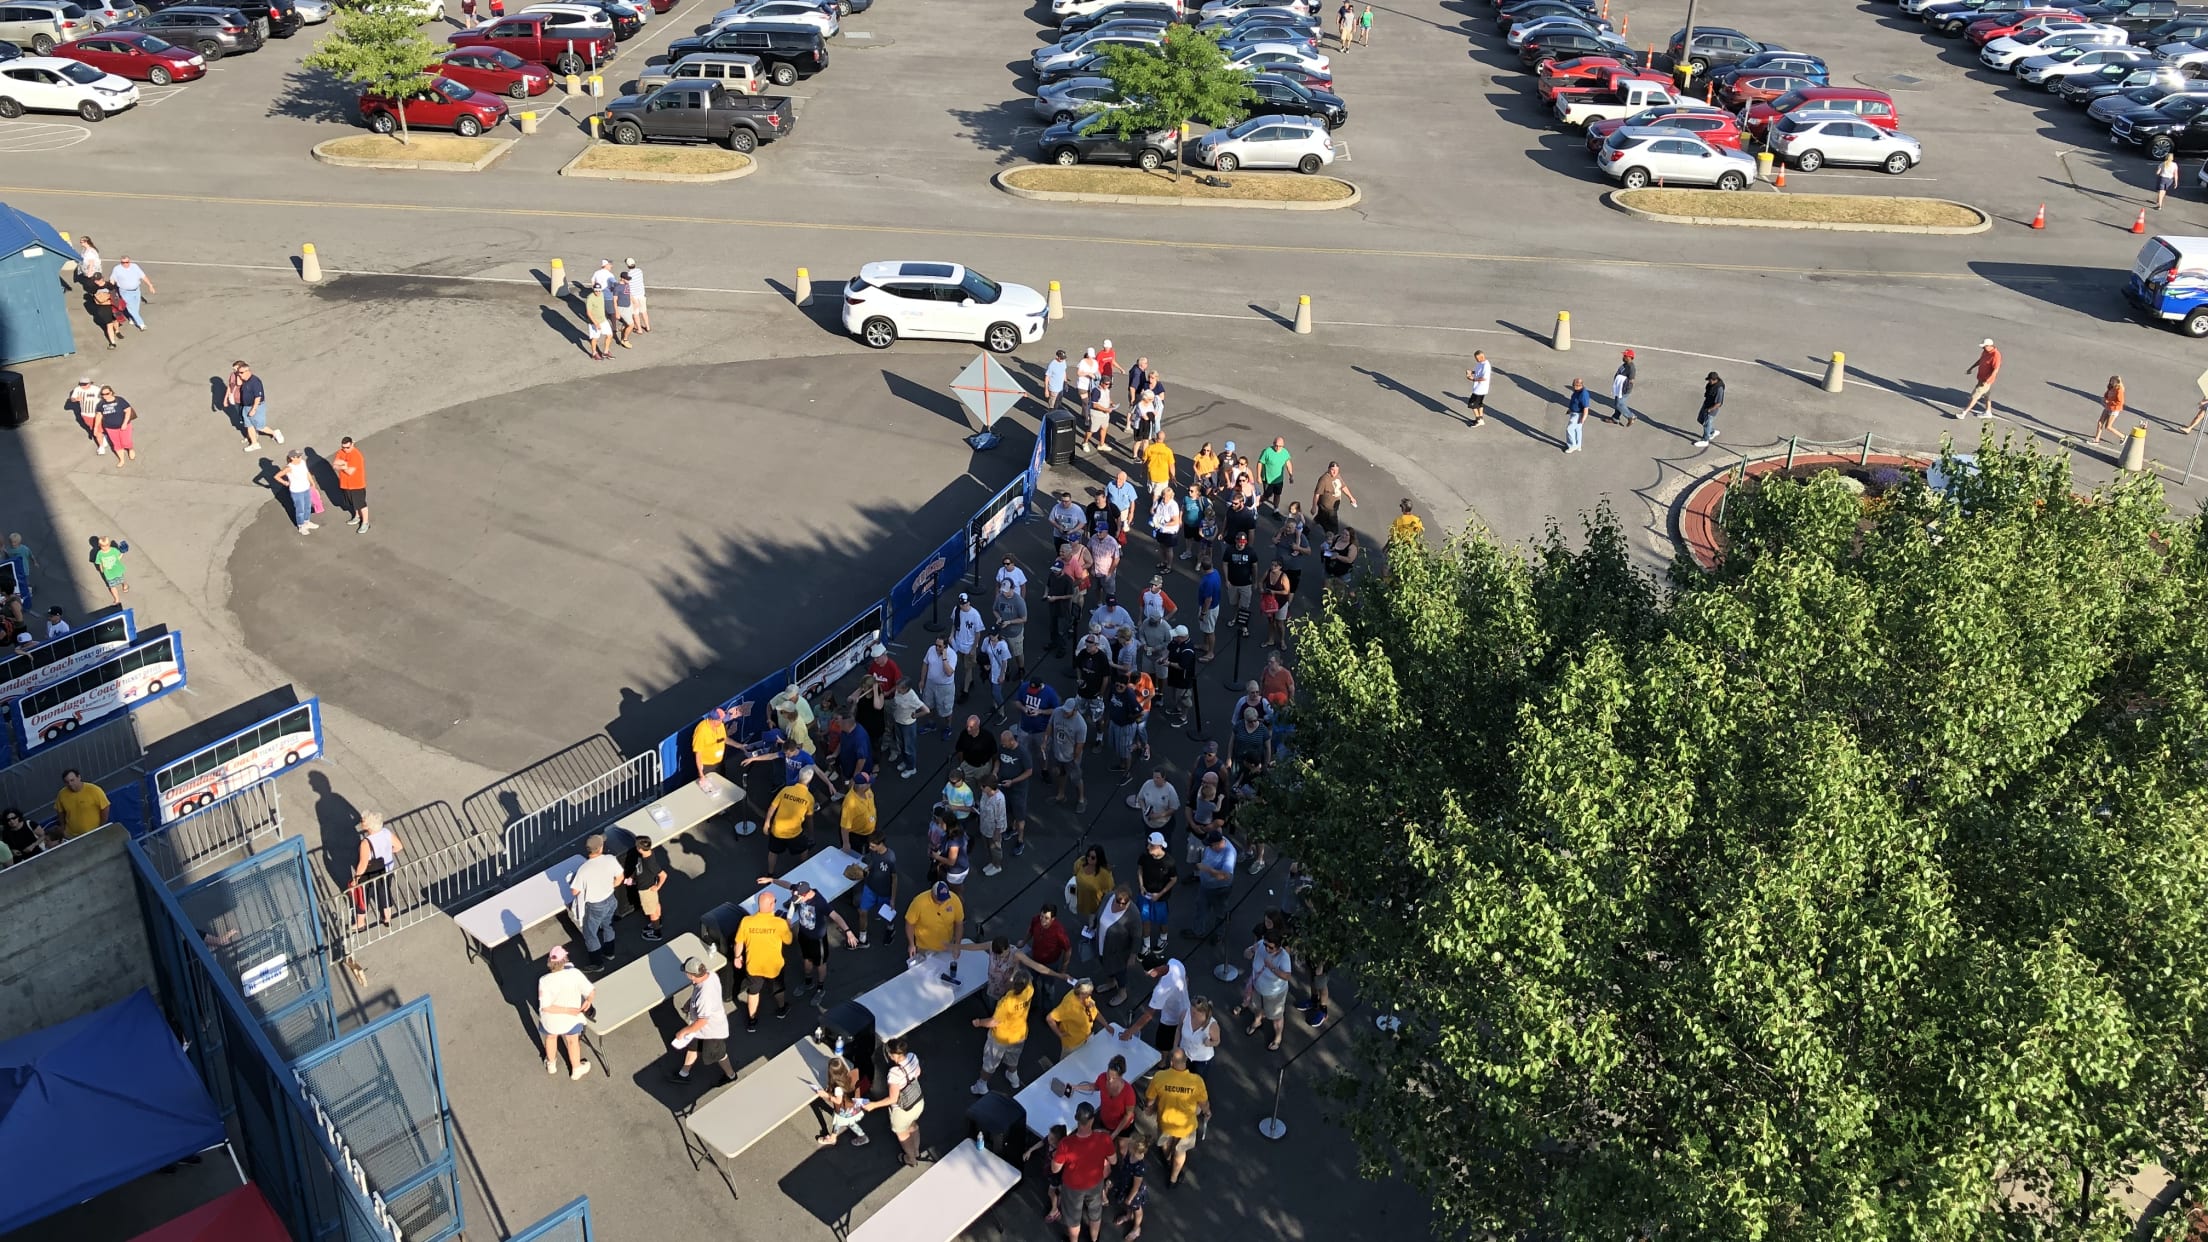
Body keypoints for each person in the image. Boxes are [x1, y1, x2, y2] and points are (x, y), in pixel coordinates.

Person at [1050, 1102, 1117, 1242]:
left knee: (1073, 1219)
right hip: (1095, 1183)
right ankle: (1094, 1239)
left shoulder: (1066, 1144)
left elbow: (1055, 1169)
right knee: (1095, 1214)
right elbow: (1114, 1161)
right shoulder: (1104, 1139)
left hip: (1072, 1187)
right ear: (1092, 1120)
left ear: (1076, 1119)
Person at [1144, 1048, 1210, 1186]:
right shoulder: (1196, 1081)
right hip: (1186, 1126)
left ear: (1172, 1062)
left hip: (1165, 1121)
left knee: (1164, 1142)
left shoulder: (1160, 1077)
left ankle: (1167, 1159)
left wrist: (1149, 1108)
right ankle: (1173, 1179)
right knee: (1181, 1151)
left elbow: (1150, 1099)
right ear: (1186, 1061)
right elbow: (1203, 1104)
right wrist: (1207, 1112)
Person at [667, 955, 735, 1084]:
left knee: (719, 1054)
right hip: (702, 1029)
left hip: (712, 1032)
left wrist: (684, 1032)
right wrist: (690, 1003)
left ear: (692, 975)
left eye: (686, 973)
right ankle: (683, 1073)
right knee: (694, 1046)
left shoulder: (705, 996)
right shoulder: (710, 975)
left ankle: (731, 1075)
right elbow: (698, 997)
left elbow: (703, 1021)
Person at [733, 889, 795, 1030]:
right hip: (774, 966)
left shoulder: (747, 921)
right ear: (772, 905)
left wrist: (737, 957)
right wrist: (788, 927)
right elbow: (789, 940)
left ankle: (752, 1020)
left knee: (753, 992)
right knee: (778, 989)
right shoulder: (779, 923)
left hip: (753, 965)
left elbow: (739, 942)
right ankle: (781, 1009)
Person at [971, 966, 1035, 1093]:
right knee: (1013, 1057)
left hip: (1001, 1037)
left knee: (990, 1062)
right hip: (1019, 1034)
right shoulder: (1029, 990)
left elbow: (994, 1021)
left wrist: (979, 1022)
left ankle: (982, 1085)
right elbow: (1028, 980)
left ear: (1013, 983)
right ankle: (1013, 1076)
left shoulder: (1006, 1002)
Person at [568, 833, 626, 972]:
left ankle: (597, 963)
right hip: (611, 899)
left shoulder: (584, 870)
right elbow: (620, 877)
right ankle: (609, 952)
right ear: (600, 848)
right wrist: (610, 886)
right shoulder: (610, 859)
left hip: (595, 906)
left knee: (590, 934)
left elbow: (574, 891)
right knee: (608, 925)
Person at [864, 1036, 926, 1165]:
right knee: (913, 1125)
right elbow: (918, 1072)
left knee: (903, 1135)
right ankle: (916, 1151)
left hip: (903, 1110)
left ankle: (910, 1158)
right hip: (918, 1101)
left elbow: (892, 1099)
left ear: (893, 1054)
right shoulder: (913, 1057)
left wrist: (874, 1105)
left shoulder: (894, 1073)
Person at [537, 946, 594, 1080]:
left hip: (551, 1020)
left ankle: (551, 1064)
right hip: (571, 1019)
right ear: (565, 960)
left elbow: (545, 1007)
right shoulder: (575, 974)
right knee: (572, 1041)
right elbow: (590, 991)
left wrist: (565, 1010)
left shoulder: (544, 980)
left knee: (551, 1037)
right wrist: (588, 1001)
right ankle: (576, 1069)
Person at [1120, 955, 1191, 1053]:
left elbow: (1148, 1016)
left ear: (1155, 969)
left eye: (1149, 973)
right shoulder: (1175, 963)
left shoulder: (1161, 990)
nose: (1149, 975)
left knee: (1163, 1043)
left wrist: (1129, 1032)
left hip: (1170, 1019)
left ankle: (1163, 1062)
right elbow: (1186, 979)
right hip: (1186, 1008)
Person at [346, 811, 403, 932]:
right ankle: (387, 918)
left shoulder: (366, 843)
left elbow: (363, 864)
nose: (361, 822)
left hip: (369, 875)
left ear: (370, 826)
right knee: (385, 893)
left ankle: (360, 923)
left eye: (363, 821)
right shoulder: (386, 832)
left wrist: (356, 879)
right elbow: (399, 847)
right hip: (386, 869)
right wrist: (387, 852)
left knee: (363, 898)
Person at [1242, 924, 1295, 1049]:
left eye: (1270, 947)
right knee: (1257, 1007)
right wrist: (1251, 950)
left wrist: (1272, 967)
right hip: (1258, 986)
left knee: (1276, 1016)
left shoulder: (1284, 957)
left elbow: (1287, 976)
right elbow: (1246, 954)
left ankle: (1278, 1037)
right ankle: (1257, 1021)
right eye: (1265, 944)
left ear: (1278, 946)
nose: (1266, 948)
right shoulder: (1261, 945)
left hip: (1274, 993)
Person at [906, 881, 966, 984]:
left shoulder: (954, 899)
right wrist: (911, 944)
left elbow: (959, 923)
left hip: (947, 944)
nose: (943, 902)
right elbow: (909, 923)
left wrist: (957, 945)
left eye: (945, 899)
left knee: (950, 973)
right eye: (940, 900)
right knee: (927, 980)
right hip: (925, 948)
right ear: (932, 894)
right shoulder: (919, 902)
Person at [763, 774, 817, 872]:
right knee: (804, 849)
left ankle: (770, 873)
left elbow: (772, 807)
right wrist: (811, 834)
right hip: (794, 832)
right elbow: (809, 818)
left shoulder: (786, 790)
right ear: (810, 781)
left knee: (773, 852)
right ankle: (804, 869)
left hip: (777, 830)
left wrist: (767, 823)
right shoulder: (809, 798)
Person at [813, 1056, 870, 1147]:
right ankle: (862, 1136)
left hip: (844, 1111)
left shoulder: (838, 1088)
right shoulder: (850, 1075)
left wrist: (825, 1095)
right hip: (853, 1107)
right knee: (850, 1123)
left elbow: (838, 1101)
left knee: (838, 1122)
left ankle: (832, 1138)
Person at [853, 832, 897, 947]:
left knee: (887, 914)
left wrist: (892, 899)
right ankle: (863, 939)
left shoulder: (890, 858)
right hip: (870, 888)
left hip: (884, 892)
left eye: (872, 846)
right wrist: (869, 868)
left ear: (880, 844)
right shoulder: (874, 852)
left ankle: (890, 928)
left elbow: (894, 878)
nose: (870, 848)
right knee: (862, 912)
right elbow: (873, 862)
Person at [996, 727, 1034, 858]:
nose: (1002, 745)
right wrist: (995, 772)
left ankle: (1020, 840)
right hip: (1004, 787)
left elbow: (1029, 771)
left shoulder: (1023, 753)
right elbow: (997, 760)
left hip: (1018, 789)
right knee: (1008, 810)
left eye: (1004, 742)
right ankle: (1011, 829)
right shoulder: (1002, 748)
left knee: (1020, 815)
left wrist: (1013, 781)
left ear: (1011, 741)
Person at [1048, 697, 1089, 812]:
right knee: (1060, 774)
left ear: (1075, 710)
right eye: (1064, 709)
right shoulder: (1057, 712)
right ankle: (1060, 795)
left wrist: (1074, 759)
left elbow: (1080, 745)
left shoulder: (1081, 725)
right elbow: (1050, 725)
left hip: (1071, 756)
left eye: (1068, 711)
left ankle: (1081, 799)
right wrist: (1046, 739)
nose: (1065, 712)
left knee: (1076, 778)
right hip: (1058, 752)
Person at [232, 362, 283, 452]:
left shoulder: (255, 382)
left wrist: (254, 409)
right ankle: (255, 443)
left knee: (260, 426)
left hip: (256, 407)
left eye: (241, 373)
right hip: (246, 407)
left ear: (247, 371)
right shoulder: (244, 379)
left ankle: (274, 433)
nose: (239, 375)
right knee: (249, 425)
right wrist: (237, 373)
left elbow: (258, 397)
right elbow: (238, 384)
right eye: (238, 373)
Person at [1111, 1131, 1151, 1240]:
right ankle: (1128, 1215)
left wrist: (1130, 1197)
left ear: (1134, 1148)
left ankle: (1136, 1228)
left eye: (1130, 1144)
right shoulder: (1130, 1155)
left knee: (1137, 1209)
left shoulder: (1140, 1166)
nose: (1127, 1144)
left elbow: (1136, 1186)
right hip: (1125, 1185)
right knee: (1128, 1206)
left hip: (1134, 1192)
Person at [1049, 979, 1100, 1064]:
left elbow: (1095, 1011)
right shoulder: (1069, 1006)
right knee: (1065, 1062)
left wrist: (1106, 1025)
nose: (1091, 994)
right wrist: (1059, 1033)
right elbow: (1050, 1018)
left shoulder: (1085, 998)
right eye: (1089, 993)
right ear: (1082, 994)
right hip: (1072, 1043)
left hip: (1085, 1037)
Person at [630, 834, 669, 942]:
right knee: (655, 906)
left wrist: (657, 887)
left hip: (646, 890)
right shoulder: (646, 856)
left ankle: (656, 932)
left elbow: (663, 875)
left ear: (640, 849)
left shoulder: (650, 862)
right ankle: (657, 922)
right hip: (648, 887)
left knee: (651, 911)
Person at [889, 678, 927, 779]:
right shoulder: (898, 691)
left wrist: (916, 715)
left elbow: (926, 710)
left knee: (909, 748)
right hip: (898, 721)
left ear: (906, 688)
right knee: (901, 744)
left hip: (907, 725)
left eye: (899, 688)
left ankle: (911, 768)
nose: (897, 689)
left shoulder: (912, 697)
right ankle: (905, 761)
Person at [54, 769, 108, 839]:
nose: (70, 784)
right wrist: (63, 827)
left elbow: (105, 808)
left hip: (93, 832)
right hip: (72, 835)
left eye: (72, 780)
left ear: (79, 777)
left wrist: (101, 827)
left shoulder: (94, 790)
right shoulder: (62, 794)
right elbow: (59, 811)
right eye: (67, 782)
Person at [922, 635, 958, 736]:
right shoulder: (931, 649)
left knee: (946, 710)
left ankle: (948, 727)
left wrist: (944, 658)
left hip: (945, 687)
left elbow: (949, 673)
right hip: (930, 684)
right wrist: (922, 680)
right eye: (936, 645)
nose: (937, 648)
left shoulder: (952, 655)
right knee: (928, 705)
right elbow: (925, 663)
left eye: (940, 646)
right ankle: (931, 724)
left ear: (945, 646)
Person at [276, 450, 319, 535]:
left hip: (306, 488)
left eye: (300, 456)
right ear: (292, 458)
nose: (300, 458)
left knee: (307, 507)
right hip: (297, 492)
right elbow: (277, 476)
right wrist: (285, 483)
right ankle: (301, 526)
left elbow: (307, 473)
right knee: (300, 510)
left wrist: (312, 483)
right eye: (298, 456)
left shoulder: (302, 462)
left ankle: (307, 522)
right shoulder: (289, 467)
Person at [332, 437, 369, 532]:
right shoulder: (341, 452)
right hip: (345, 484)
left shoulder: (356, 455)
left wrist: (343, 465)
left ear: (352, 444)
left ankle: (365, 522)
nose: (345, 449)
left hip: (357, 485)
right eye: (343, 447)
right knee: (353, 503)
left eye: (347, 447)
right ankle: (357, 516)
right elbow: (335, 465)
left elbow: (350, 472)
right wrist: (345, 464)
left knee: (361, 504)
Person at [1177, 997, 1221, 1080]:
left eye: (1194, 1012)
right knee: (1182, 1077)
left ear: (1203, 1013)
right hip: (1184, 1054)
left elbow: (1217, 1041)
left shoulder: (1212, 1025)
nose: (1191, 1014)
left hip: (1201, 1060)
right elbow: (1178, 1029)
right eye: (1190, 1010)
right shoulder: (1185, 1014)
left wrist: (1210, 1043)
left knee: (1196, 1080)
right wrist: (1175, 1046)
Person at [94, 387, 136, 469]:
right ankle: (121, 460)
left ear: (111, 392)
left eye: (107, 393)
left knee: (126, 441)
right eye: (103, 394)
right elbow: (99, 415)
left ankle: (130, 449)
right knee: (116, 444)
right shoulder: (101, 404)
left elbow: (128, 410)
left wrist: (124, 423)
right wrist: (96, 427)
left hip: (124, 426)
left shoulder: (120, 400)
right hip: (110, 428)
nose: (105, 396)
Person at [1312, 461, 1357, 535]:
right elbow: (1317, 494)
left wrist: (1351, 497)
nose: (1334, 472)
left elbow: (1343, 487)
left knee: (1319, 519)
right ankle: (1333, 539)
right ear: (1329, 469)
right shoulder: (1324, 479)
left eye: (1336, 470)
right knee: (1333, 525)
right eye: (1333, 470)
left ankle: (1305, 530)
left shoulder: (1338, 476)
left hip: (1334, 506)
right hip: (1327, 507)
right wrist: (1314, 506)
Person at [109, 256, 152, 331]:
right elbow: (112, 279)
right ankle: (141, 324)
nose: (125, 264)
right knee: (131, 308)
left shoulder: (135, 267)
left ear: (129, 261)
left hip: (136, 291)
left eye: (127, 262)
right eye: (123, 262)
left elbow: (143, 276)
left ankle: (131, 317)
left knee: (135, 307)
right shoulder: (117, 269)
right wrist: (110, 290)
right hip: (125, 292)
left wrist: (150, 285)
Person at [840, 768, 877, 855]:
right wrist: (846, 843)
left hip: (870, 832)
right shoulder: (850, 804)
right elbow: (844, 827)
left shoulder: (867, 790)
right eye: (869, 783)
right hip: (857, 835)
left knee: (868, 850)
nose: (870, 784)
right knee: (856, 854)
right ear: (862, 786)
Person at [1959, 340, 1999, 420]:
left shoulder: (1995, 355)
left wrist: (1987, 381)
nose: (1983, 348)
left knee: (1975, 396)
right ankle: (1988, 412)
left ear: (1989, 346)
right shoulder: (1985, 352)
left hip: (1985, 381)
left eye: (1984, 346)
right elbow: (1980, 361)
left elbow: (1995, 369)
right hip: (1981, 378)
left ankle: (1964, 413)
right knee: (1986, 396)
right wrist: (1971, 367)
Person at [692, 707, 731, 786]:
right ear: (713, 720)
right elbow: (698, 754)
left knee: (722, 783)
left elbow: (724, 739)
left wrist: (740, 746)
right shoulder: (701, 731)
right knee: (711, 787)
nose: (723, 721)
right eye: (721, 719)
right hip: (707, 767)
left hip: (719, 763)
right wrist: (701, 774)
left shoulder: (720, 725)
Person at [66, 375, 102, 452]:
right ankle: (102, 438)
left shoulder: (96, 389)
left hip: (96, 413)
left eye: (85, 384)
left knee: (97, 431)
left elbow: (103, 397)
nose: (83, 386)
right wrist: (75, 399)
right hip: (85, 414)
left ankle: (101, 447)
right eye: (81, 384)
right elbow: (71, 400)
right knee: (93, 428)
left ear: (89, 383)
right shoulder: (77, 389)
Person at [93, 536, 127, 605]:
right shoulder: (100, 554)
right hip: (108, 573)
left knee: (121, 580)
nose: (105, 547)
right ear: (99, 545)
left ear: (109, 544)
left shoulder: (114, 550)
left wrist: (122, 553)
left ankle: (125, 585)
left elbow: (118, 558)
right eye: (103, 546)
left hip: (117, 570)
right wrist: (101, 569)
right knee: (112, 586)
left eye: (107, 545)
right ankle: (117, 599)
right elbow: (100, 562)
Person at [1696, 371, 1726, 446]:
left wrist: (1710, 410)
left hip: (1712, 408)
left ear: (1714, 380)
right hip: (1706, 404)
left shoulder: (1719, 389)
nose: (1709, 381)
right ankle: (1712, 431)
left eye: (1710, 380)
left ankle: (1705, 440)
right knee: (1700, 420)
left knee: (1707, 423)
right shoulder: (1710, 385)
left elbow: (1718, 403)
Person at [89, 277, 121, 348]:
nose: (97, 281)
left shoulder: (109, 285)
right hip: (103, 309)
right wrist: (108, 296)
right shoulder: (93, 288)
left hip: (113, 306)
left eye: (98, 279)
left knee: (116, 320)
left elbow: (115, 296)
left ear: (102, 278)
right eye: (95, 280)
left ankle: (117, 331)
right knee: (109, 324)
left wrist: (108, 297)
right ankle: (112, 343)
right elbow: (99, 300)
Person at [1563, 377, 1591, 454]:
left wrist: (1583, 418)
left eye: (1576, 385)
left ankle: (1572, 445)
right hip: (1574, 412)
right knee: (1577, 429)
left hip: (1578, 414)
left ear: (1580, 385)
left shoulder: (1583, 394)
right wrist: (1570, 409)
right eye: (1574, 385)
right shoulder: (1577, 391)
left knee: (1569, 429)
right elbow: (1574, 402)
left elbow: (1586, 408)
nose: (1574, 387)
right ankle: (1578, 445)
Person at [2096, 375, 2125, 446]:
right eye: (2111, 380)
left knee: (2108, 427)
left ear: (2117, 382)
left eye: (2113, 381)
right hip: (2108, 407)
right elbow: (2107, 394)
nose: (2111, 382)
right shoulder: (2111, 387)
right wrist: (2105, 398)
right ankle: (2096, 440)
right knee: (2100, 422)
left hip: (2114, 410)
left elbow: (2120, 402)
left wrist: (2108, 402)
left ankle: (2123, 436)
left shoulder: (2119, 390)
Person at [1611, 348, 1637, 426]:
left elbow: (1631, 380)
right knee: (1617, 403)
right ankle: (1615, 418)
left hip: (1624, 389)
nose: (1623, 357)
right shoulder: (1625, 364)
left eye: (1625, 356)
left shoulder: (1631, 368)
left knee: (1619, 404)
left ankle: (1631, 416)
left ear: (1630, 357)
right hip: (1619, 387)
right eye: (1624, 355)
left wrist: (1624, 388)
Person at [623, 258, 650, 332]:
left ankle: (639, 329)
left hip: (634, 297)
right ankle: (647, 326)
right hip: (641, 294)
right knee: (644, 311)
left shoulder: (628, 275)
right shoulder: (639, 271)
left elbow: (627, 284)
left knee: (635, 313)